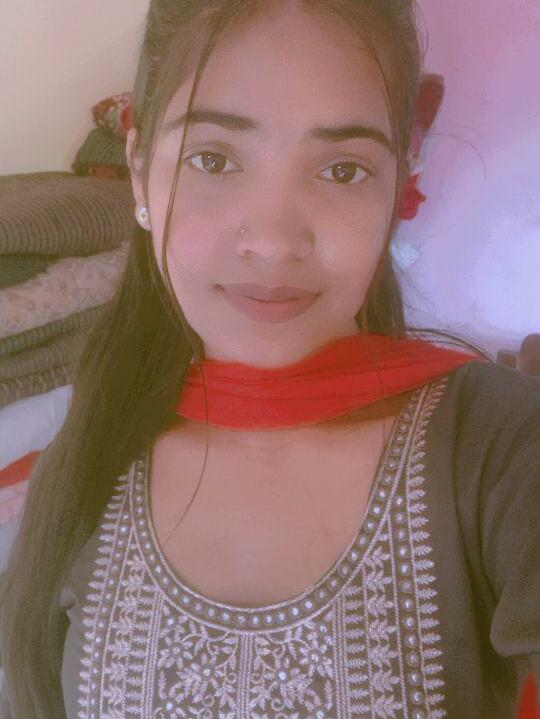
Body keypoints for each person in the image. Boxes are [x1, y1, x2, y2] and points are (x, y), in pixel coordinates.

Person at [1, 1, 539, 717]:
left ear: (397, 184)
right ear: (138, 172)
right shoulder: (86, 458)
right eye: (213, 159)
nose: (275, 242)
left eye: (343, 169)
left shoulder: (505, 445)